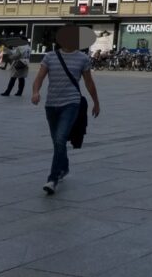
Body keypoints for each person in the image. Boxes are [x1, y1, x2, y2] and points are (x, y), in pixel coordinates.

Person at [30, 27, 101, 195]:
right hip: (51, 104)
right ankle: (64, 167)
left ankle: (52, 179)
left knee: (60, 139)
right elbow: (39, 77)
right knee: (57, 141)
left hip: (71, 103)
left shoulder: (82, 58)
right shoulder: (50, 57)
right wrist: (35, 92)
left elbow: (89, 82)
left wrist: (96, 102)